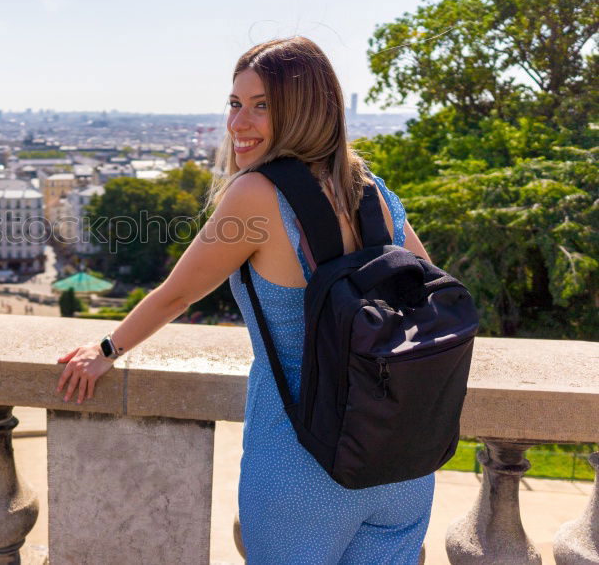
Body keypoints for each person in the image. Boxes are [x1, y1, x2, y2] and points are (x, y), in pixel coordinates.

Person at [56, 37, 435, 563]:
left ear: (304, 112)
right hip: (402, 464)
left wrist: (106, 348)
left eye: (263, 107)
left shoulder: (257, 195)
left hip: (305, 464)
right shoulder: (370, 188)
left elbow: (178, 294)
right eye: (236, 104)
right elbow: (431, 290)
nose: (239, 123)